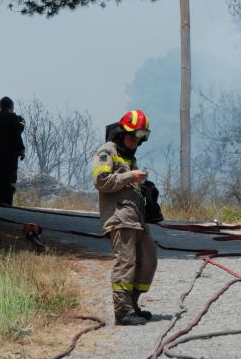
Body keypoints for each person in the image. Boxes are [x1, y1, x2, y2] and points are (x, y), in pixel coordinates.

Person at [91, 109, 157, 326]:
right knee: (125, 263)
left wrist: (146, 189)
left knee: (148, 261)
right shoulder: (106, 151)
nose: (135, 143)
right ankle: (123, 312)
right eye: (132, 138)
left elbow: (129, 185)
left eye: (140, 140)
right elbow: (101, 181)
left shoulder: (130, 157)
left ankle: (133, 304)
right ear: (121, 133)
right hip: (120, 218)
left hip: (137, 219)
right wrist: (131, 176)